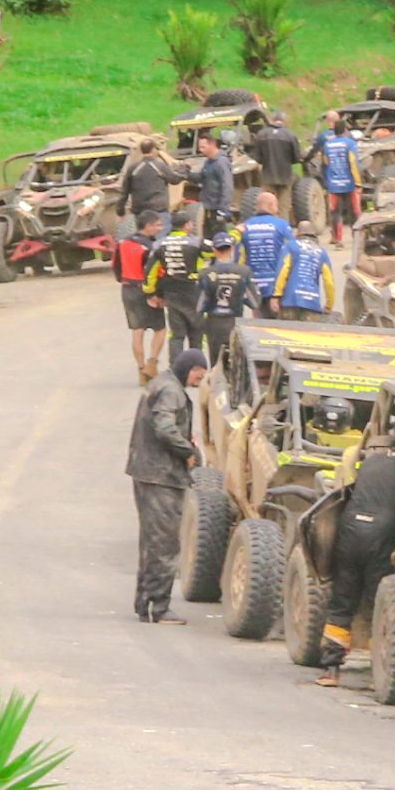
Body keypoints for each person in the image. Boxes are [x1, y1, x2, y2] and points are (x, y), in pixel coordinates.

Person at [318, 424, 395, 686]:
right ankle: (380, 671)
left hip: (349, 533)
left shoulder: (373, 461)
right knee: (380, 604)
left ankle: (331, 670)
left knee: (342, 601)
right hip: (380, 539)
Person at [124, 349, 208, 624]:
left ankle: (144, 603)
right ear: (189, 368)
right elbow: (164, 427)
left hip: (147, 472)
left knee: (150, 541)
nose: (201, 378)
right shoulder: (171, 391)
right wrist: (188, 451)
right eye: (199, 372)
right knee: (165, 543)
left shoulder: (160, 383)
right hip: (161, 476)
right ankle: (159, 607)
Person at [145, 211, 210, 358]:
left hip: (172, 293)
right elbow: (217, 251)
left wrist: (151, 292)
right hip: (193, 291)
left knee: (176, 334)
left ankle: (176, 370)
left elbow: (149, 271)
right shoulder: (196, 242)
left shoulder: (159, 244)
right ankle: (196, 367)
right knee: (197, 333)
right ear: (187, 225)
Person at [115, 210, 167, 382]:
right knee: (160, 328)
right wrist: (157, 294)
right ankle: (152, 364)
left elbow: (116, 267)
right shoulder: (151, 247)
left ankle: (141, 369)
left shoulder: (122, 243)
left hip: (128, 289)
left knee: (137, 331)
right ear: (148, 226)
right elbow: (154, 273)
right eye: (158, 224)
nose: (160, 228)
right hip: (146, 290)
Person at [199, 233, 252, 366]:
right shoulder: (244, 271)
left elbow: (200, 306)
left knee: (217, 364)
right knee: (235, 363)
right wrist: (240, 295)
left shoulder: (205, 273)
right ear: (232, 249)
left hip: (214, 323)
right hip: (235, 321)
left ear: (214, 250)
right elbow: (255, 302)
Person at [237, 189, 293, 312]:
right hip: (276, 286)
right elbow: (292, 254)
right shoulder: (282, 225)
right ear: (271, 205)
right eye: (277, 205)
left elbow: (239, 258)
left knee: (258, 325)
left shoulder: (245, 226)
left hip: (254, 286)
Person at [273, 223, 336, 320]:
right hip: (312, 304)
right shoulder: (322, 252)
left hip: (290, 301)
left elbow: (282, 272)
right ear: (314, 235)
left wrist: (276, 296)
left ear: (297, 233)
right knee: (308, 334)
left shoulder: (290, 246)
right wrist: (329, 305)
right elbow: (329, 282)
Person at [116, 136, 181, 231]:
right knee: (160, 239)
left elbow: (124, 192)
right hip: (159, 210)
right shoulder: (160, 166)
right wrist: (184, 172)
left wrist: (120, 211)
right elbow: (174, 180)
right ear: (153, 150)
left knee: (144, 238)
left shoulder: (133, 169)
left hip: (140, 212)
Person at [315, 116, 363, 243]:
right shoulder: (350, 143)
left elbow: (325, 162)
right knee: (354, 211)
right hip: (350, 183)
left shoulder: (327, 145)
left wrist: (327, 181)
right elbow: (353, 163)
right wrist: (358, 182)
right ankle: (356, 237)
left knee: (336, 212)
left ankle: (338, 240)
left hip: (333, 184)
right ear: (345, 130)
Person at [191, 132, 235, 239]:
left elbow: (227, 186)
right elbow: (201, 178)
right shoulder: (208, 162)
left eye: (203, 147)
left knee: (220, 238)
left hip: (218, 208)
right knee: (208, 239)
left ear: (212, 144)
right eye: (199, 147)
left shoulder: (221, 162)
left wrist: (223, 209)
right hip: (208, 207)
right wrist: (187, 174)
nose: (200, 150)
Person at [253, 113, 301, 210]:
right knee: (283, 206)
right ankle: (282, 224)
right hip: (285, 176)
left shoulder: (261, 134)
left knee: (267, 205)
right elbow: (296, 158)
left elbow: (257, 157)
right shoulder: (290, 135)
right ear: (284, 121)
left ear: (272, 120)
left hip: (268, 175)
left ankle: (269, 223)